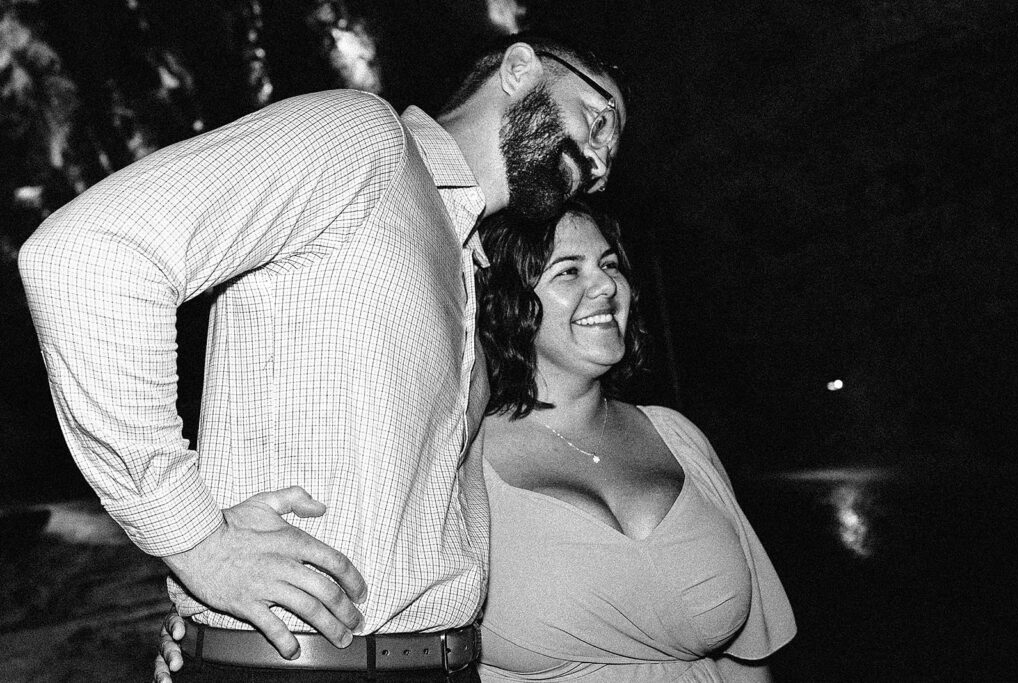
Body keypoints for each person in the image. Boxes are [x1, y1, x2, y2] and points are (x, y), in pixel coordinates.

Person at [19, 33, 627, 681]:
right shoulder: (365, 138)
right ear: (519, 67)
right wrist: (195, 541)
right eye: (598, 119)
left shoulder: (468, 271)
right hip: (302, 666)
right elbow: (89, 256)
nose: (600, 162)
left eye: (611, 154)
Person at [156, 202, 796, 682]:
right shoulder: (453, 459)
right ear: (510, 305)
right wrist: (205, 618)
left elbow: (749, 656)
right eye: (567, 271)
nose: (605, 286)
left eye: (609, 265)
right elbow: (349, 591)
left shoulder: (677, 437)